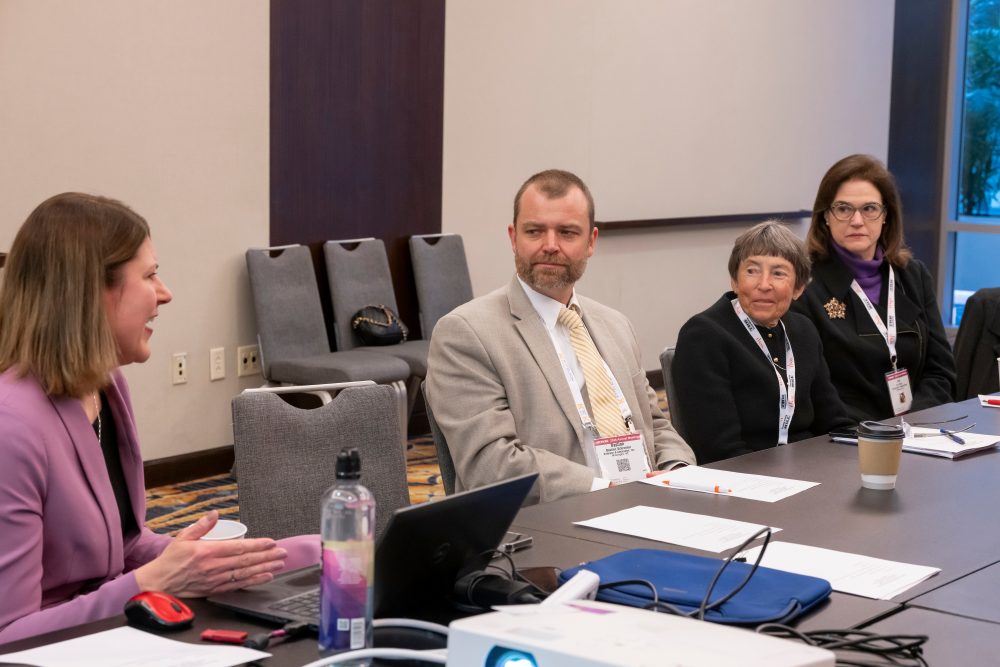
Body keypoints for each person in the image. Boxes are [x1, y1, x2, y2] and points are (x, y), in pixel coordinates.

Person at [0, 193, 318, 643]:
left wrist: (245, 560)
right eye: (149, 275)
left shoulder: (105, 384)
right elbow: (8, 633)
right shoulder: (10, 425)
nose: (165, 293)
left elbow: (121, 546)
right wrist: (153, 581)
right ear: (92, 293)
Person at [425, 169, 694, 505]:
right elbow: (491, 465)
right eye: (535, 231)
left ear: (591, 242)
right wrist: (608, 491)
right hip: (549, 526)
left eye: (567, 233)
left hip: (646, 507)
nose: (550, 246)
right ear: (513, 237)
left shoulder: (616, 325)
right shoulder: (467, 333)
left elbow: (654, 426)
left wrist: (678, 473)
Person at [791, 155, 957, 422]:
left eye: (869, 209)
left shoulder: (913, 276)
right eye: (844, 209)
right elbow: (810, 388)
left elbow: (941, 372)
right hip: (843, 438)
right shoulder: (804, 285)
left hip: (917, 433)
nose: (857, 221)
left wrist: (911, 423)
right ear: (826, 217)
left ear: (885, 217)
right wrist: (875, 433)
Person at [672, 221, 853, 464]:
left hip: (810, 468)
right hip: (746, 479)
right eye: (752, 271)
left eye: (778, 273)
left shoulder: (803, 330)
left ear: (798, 288)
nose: (764, 285)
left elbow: (835, 422)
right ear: (735, 281)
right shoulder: (704, 335)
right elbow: (721, 450)